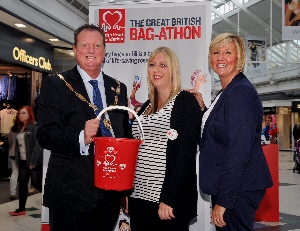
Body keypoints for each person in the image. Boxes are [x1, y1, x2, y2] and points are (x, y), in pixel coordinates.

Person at [36, 24, 131, 231]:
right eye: (85, 45)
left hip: (110, 196)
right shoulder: (56, 84)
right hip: (70, 195)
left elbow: (124, 136)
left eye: (97, 45)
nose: (91, 50)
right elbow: (45, 134)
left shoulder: (118, 88)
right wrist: (81, 137)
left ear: (104, 51)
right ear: (75, 49)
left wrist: (126, 189)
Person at [197, 33, 273, 230]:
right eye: (216, 52)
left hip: (238, 189)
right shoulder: (227, 91)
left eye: (228, 52)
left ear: (239, 59)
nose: (221, 58)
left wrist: (224, 200)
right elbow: (223, 130)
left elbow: (238, 150)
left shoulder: (240, 93)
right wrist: (205, 110)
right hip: (234, 186)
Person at [129, 46, 202, 231]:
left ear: (173, 70)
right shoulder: (146, 105)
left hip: (166, 202)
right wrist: (129, 194)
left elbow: (185, 155)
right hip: (139, 197)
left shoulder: (185, 102)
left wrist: (169, 198)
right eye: (152, 65)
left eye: (163, 65)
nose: (156, 70)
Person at [9, 106, 43, 216]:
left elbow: (37, 146)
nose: (21, 115)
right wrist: (18, 162)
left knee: (37, 183)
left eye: (23, 113)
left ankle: (52, 205)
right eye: (20, 113)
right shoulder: (20, 127)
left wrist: (33, 162)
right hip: (23, 161)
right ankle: (21, 209)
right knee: (22, 185)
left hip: (33, 162)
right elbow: (18, 146)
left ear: (29, 114)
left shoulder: (34, 126)